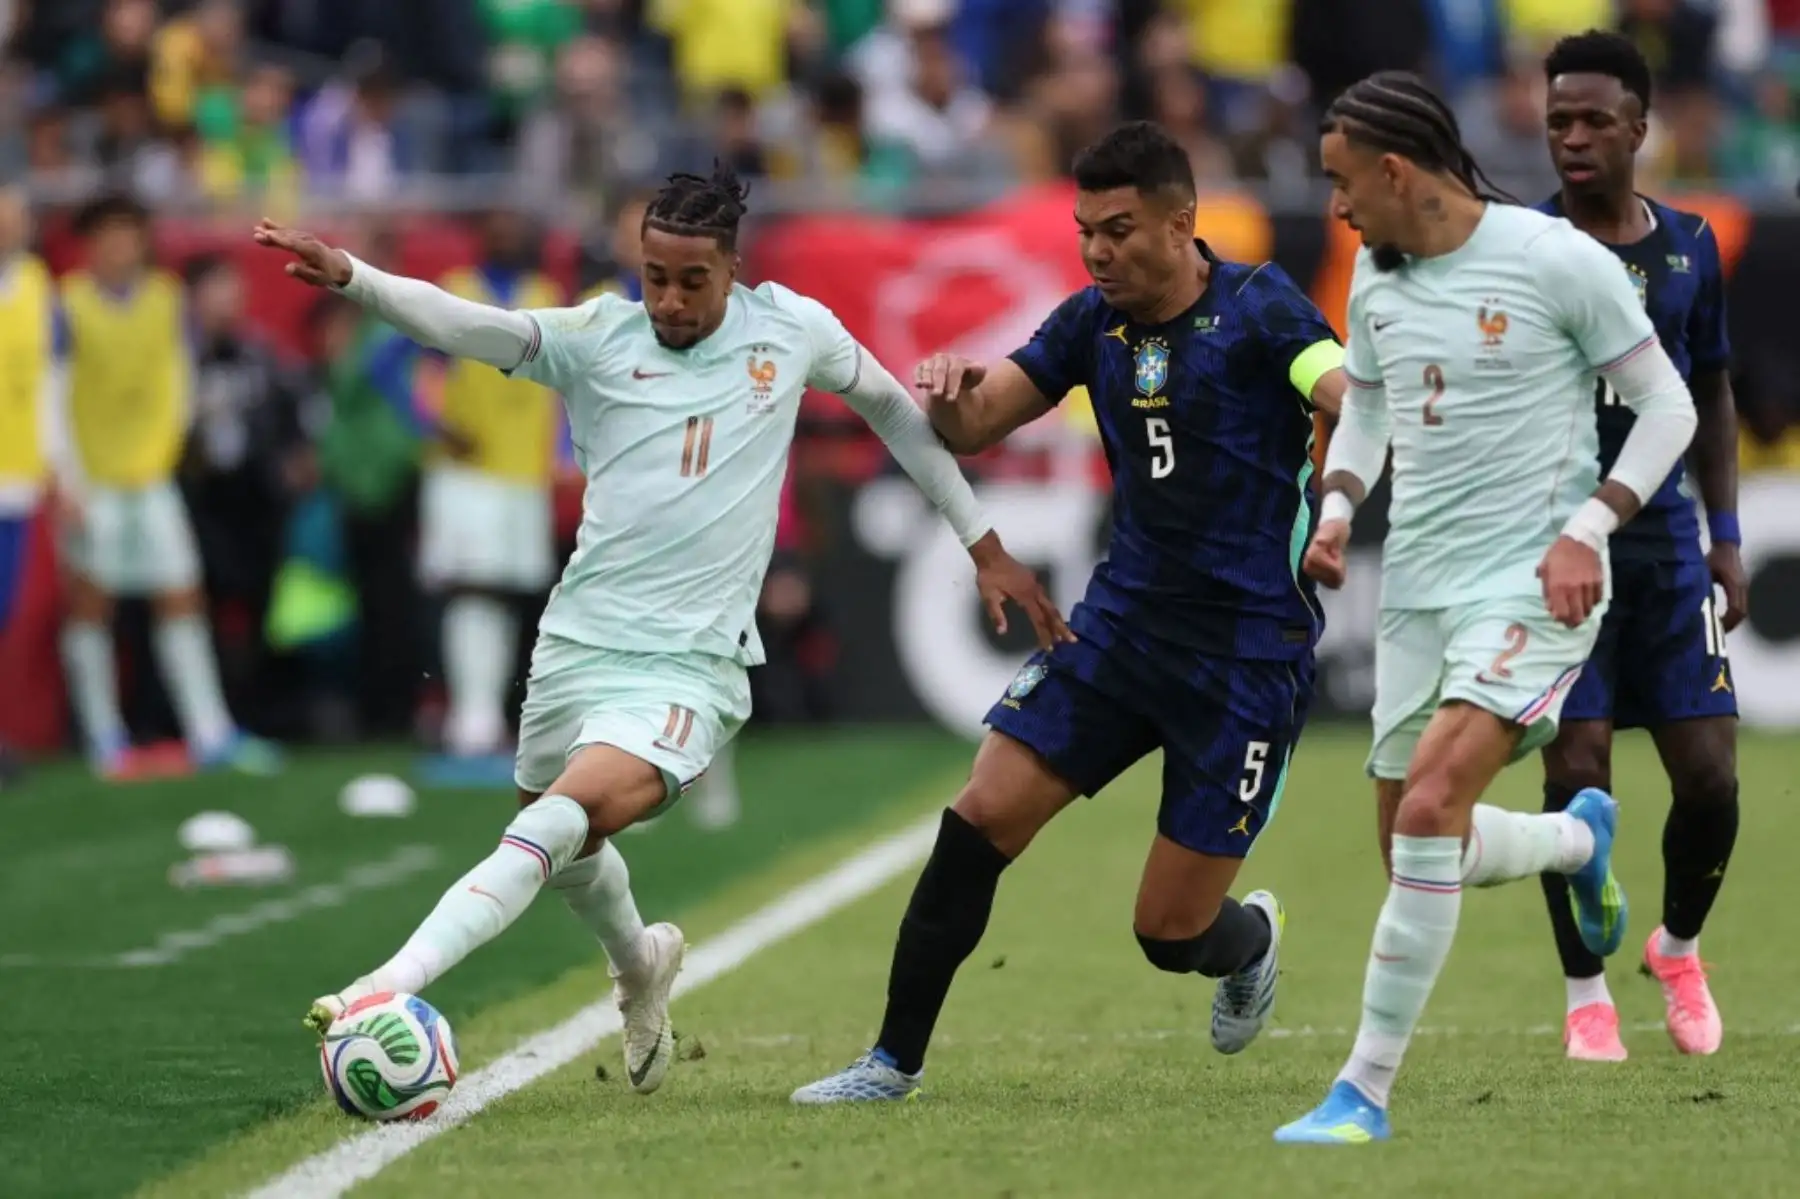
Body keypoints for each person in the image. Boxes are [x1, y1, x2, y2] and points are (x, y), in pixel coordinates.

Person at [255, 162, 1061, 1094]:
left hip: (689, 664)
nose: (670, 300)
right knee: (562, 847)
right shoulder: (600, 336)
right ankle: (640, 965)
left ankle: (384, 985)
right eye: (654, 277)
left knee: (564, 817)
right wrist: (354, 275)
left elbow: (889, 405)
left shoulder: (791, 330)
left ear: (733, 269)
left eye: (692, 280)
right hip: (576, 643)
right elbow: (468, 326)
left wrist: (982, 540)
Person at [793, 120, 1349, 1105]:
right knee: (979, 815)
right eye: (1086, 228)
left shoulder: (1262, 307)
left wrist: (1349, 437)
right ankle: (890, 1061)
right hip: (1120, 631)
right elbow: (976, 420)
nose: (1097, 249)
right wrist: (949, 392)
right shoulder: (1090, 323)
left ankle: (1249, 940)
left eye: (1120, 229)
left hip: (1245, 661)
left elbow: (1334, 386)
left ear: (1183, 223)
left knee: (1168, 931)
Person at [1275, 71, 1698, 1145]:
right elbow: (1366, 403)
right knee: (1417, 848)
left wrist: (1587, 529)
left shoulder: (1556, 259)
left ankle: (1361, 1091)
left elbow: (1668, 406)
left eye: (1341, 183)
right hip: (1420, 584)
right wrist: (1337, 504)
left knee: (1428, 812)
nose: (1336, 208)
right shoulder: (1375, 278)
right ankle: (1572, 838)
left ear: (1395, 170)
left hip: (1535, 580)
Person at [1534, 30, 1742, 1063]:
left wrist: (1729, 537)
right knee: (1578, 775)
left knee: (1710, 778)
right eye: (1557, 120)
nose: (1573, 138)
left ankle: (1678, 944)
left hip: (1664, 547)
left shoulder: (1689, 245)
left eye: (1593, 121)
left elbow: (1708, 388)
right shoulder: (1515, 244)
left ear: (1638, 129)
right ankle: (1585, 992)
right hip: (1555, 552)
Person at [56, 193, 274, 778]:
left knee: (180, 594)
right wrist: (68, 476)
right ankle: (104, 736)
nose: (120, 245)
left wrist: (163, 453)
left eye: (129, 233)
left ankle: (210, 730)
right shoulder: (67, 303)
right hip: (92, 477)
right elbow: (53, 395)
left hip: (149, 474)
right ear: (89, 241)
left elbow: (178, 381)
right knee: (91, 603)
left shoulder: (165, 301)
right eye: (108, 234)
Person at [421, 209, 563, 768]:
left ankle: (484, 718)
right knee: (471, 588)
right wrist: (432, 422)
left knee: (504, 594)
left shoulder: (548, 296)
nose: (510, 234)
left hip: (523, 469)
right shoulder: (456, 292)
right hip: (468, 469)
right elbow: (400, 365)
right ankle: (469, 719)